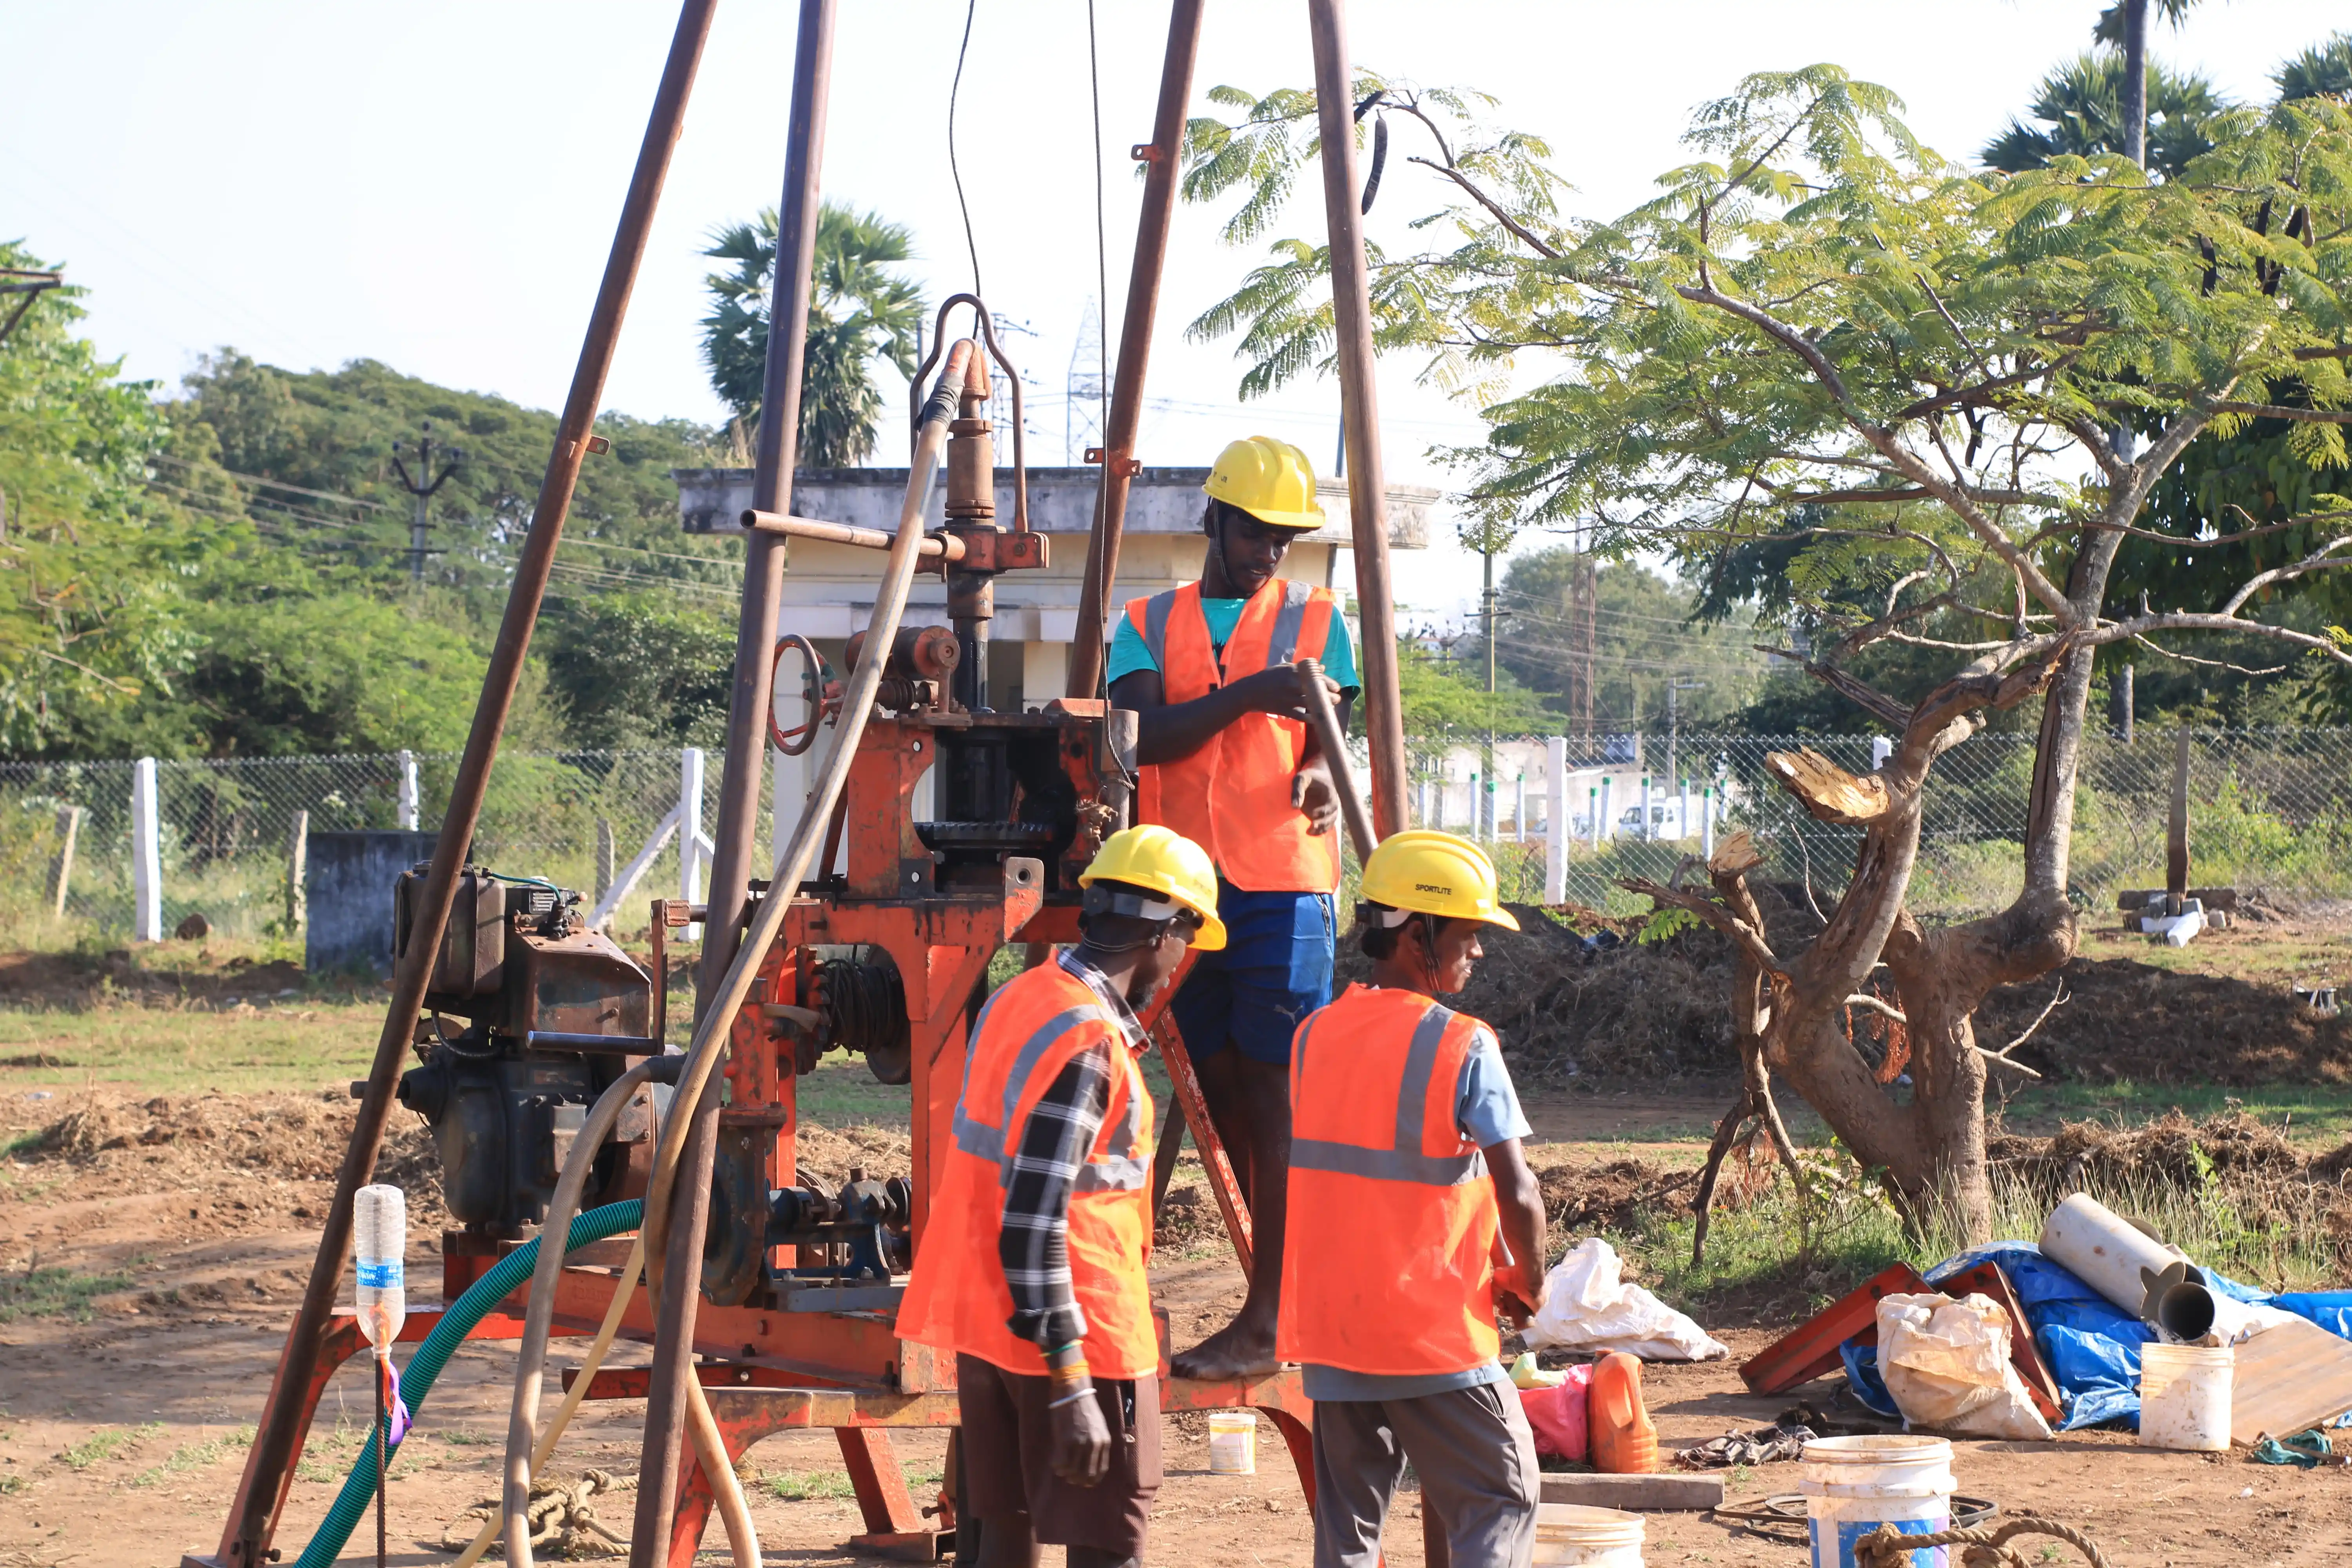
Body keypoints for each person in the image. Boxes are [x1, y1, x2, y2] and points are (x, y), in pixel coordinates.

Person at [896, 824, 1225, 1568]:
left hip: (990, 1329)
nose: (1186, 957)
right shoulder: (1088, 1044)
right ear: (1166, 929)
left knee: (1007, 1542)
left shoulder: (1021, 999)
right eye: (1190, 935)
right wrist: (1072, 1380)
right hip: (1080, 1342)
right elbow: (1035, 1218)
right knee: (1108, 1548)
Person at [1107, 433, 1356, 1381]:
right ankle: (1284, 1299)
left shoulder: (1319, 618)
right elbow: (1147, 738)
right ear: (1213, 518)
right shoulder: (1145, 621)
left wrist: (1325, 774)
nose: (1270, 551)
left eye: (1285, 537)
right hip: (1180, 895)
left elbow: (1332, 739)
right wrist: (1255, 693)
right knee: (1218, 1096)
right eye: (1256, 531)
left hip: (1284, 888)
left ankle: (1271, 1313)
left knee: (1279, 1094)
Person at [1278, 830, 1549, 1568]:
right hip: (1431, 1333)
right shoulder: (1463, 1044)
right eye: (1467, 933)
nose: (1480, 950)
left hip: (1335, 1332)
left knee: (1347, 1533)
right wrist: (1530, 1277)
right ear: (1414, 934)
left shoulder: (1313, 1038)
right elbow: (1518, 1188)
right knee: (1503, 1495)